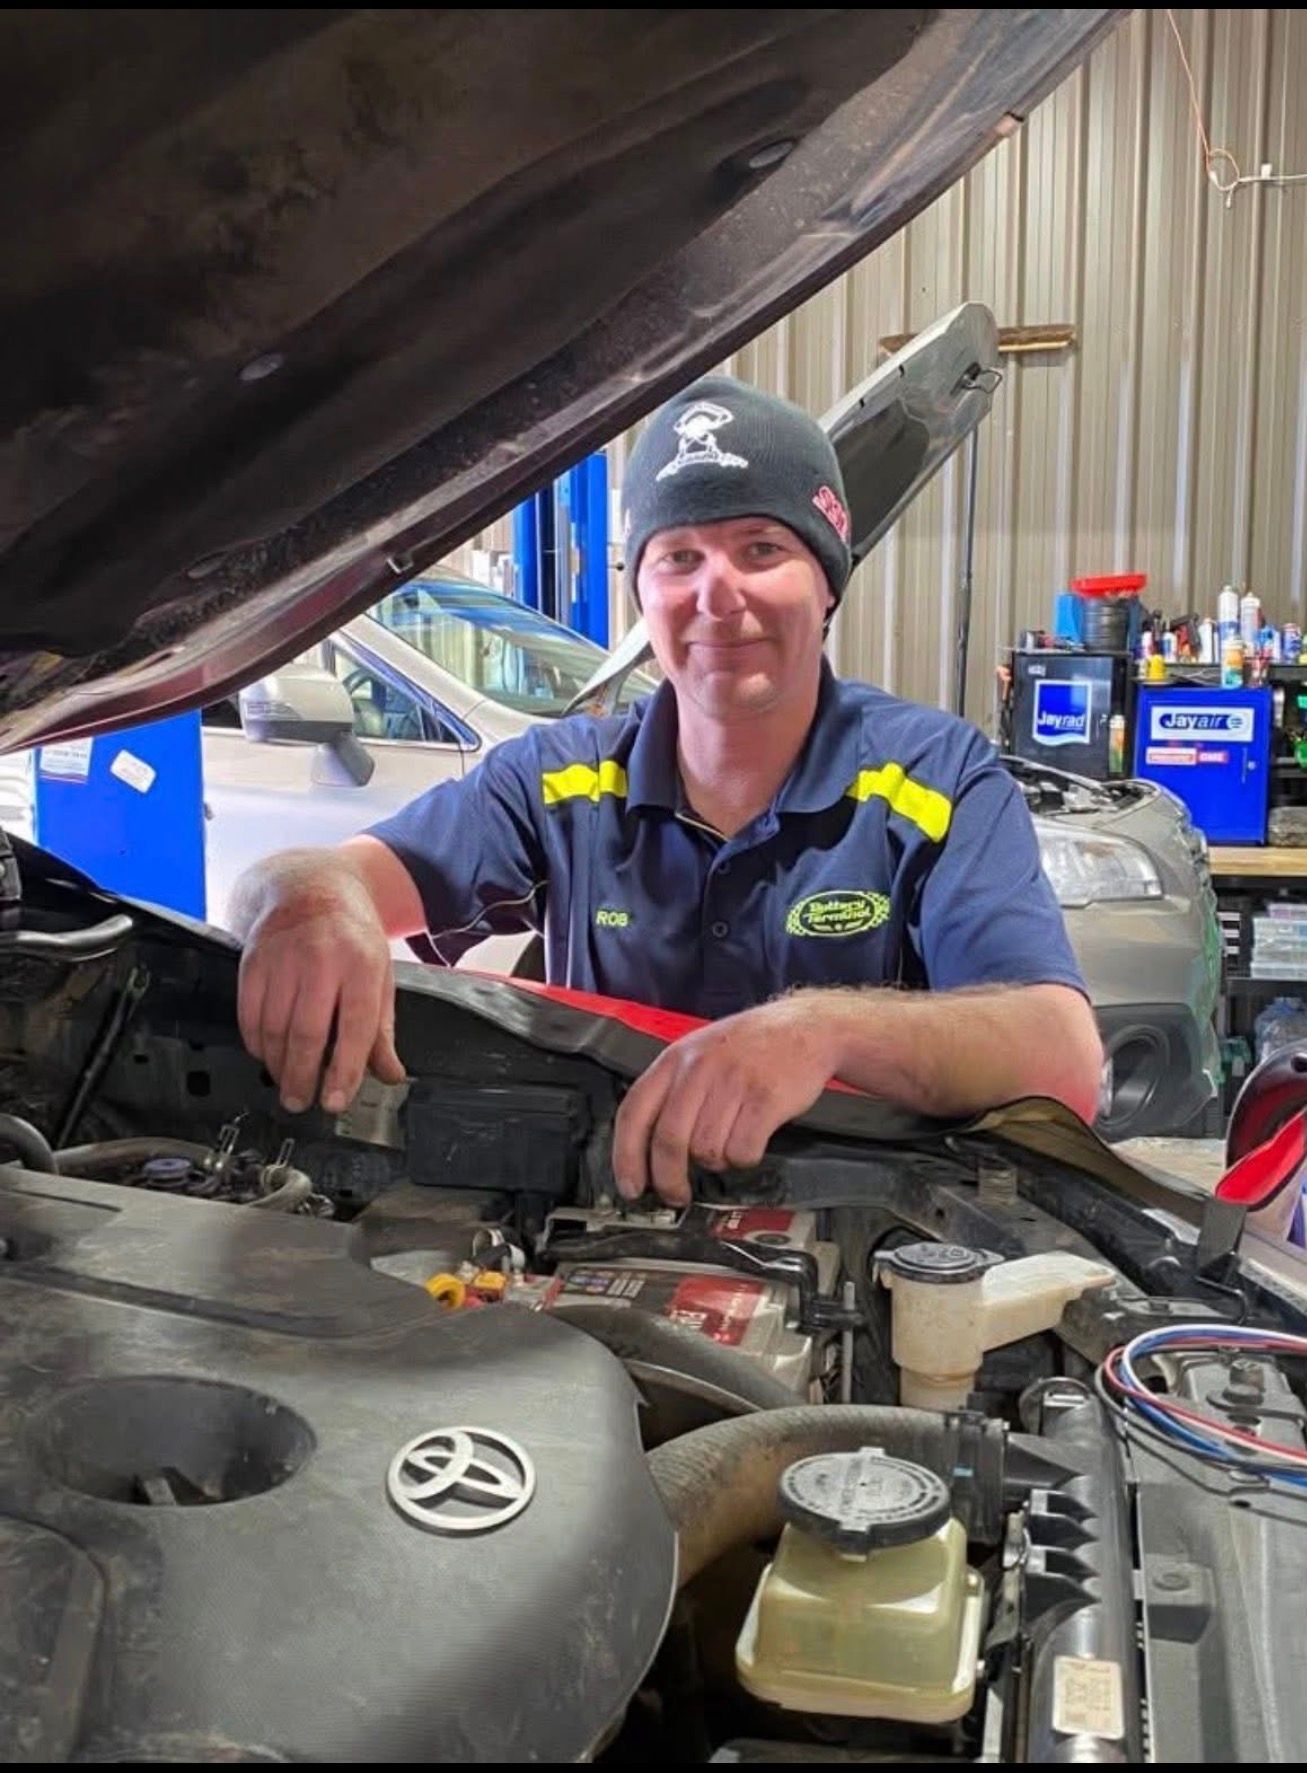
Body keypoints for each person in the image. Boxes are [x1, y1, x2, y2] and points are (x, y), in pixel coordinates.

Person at [231, 376, 1103, 1204]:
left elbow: (1060, 1054)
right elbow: (310, 880)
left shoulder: (934, 779)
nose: (715, 593)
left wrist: (819, 1029)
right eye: (677, 556)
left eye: (761, 548)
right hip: (606, 1221)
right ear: (641, 594)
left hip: (855, 1236)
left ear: (826, 583)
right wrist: (309, 903)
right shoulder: (560, 780)